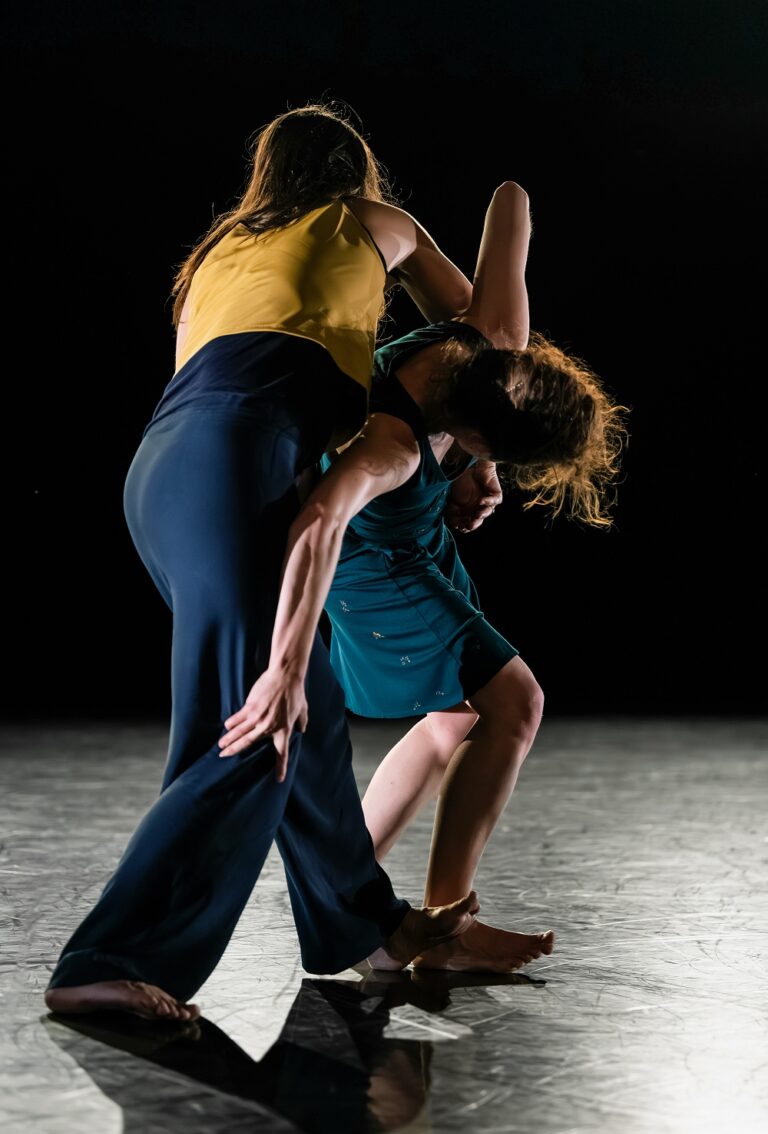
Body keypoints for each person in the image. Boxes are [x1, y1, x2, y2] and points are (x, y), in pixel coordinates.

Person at [44, 101, 484, 1024]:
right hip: (242, 456)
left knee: (304, 709)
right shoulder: (376, 223)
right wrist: (475, 460)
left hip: (165, 472)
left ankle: (365, 927)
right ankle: (104, 960)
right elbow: (477, 334)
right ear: (355, 173)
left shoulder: (214, 253)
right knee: (254, 726)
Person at [217, 179, 629, 973]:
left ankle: (351, 908)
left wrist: (476, 463)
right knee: (514, 702)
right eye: (491, 452)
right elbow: (321, 521)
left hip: (418, 545)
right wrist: (288, 664)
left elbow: (510, 198)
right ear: (470, 425)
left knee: (456, 720)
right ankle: (445, 930)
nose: (489, 466)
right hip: (374, 562)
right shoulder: (393, 446)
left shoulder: (496, 337)